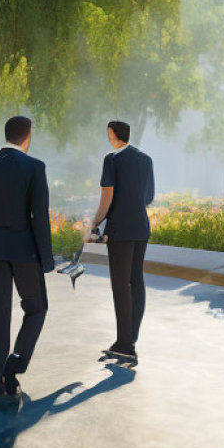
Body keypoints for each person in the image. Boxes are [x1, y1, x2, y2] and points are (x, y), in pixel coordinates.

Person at [0, 115, 53, 397]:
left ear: (6, 135)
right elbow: (39, 217)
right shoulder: (35, 167)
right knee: (37, 308)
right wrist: (47, 258)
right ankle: (13, 368)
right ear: (28, 136)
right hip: (24, 249)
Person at [90, 120, 155, 365]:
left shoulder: (112, 159)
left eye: (109, 134)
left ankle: (125, 346)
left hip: (119, 229)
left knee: (120, 286)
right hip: (141, 226)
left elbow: (107, 197)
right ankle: (129, 339)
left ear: (113, 135)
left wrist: (95, 222)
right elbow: (148, 196)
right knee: (136, 280)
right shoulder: (146, 159)